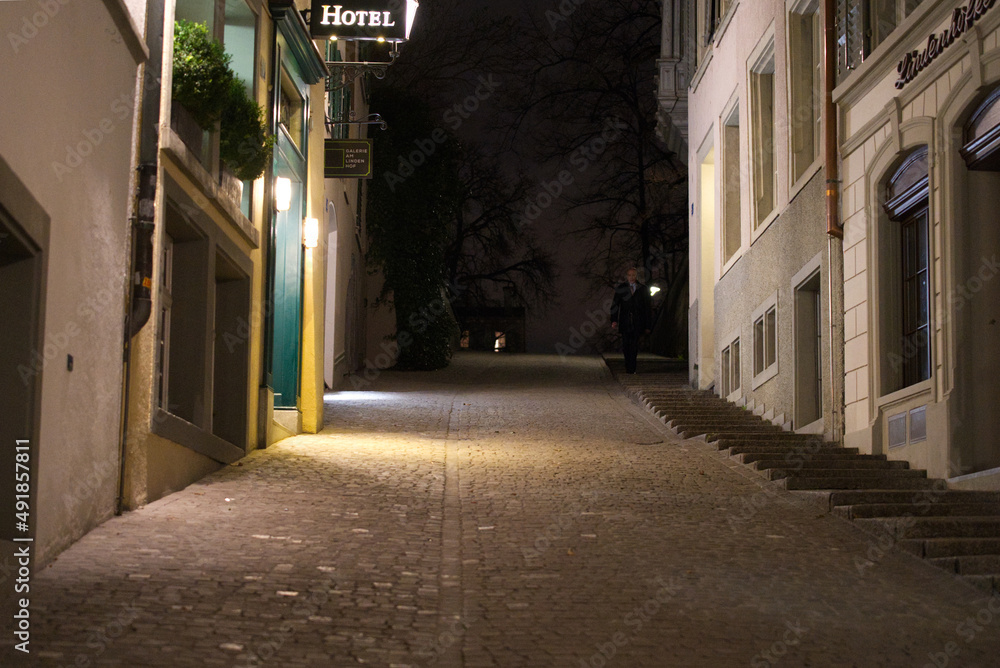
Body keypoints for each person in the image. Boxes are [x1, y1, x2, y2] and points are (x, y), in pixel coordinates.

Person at [610, 267, 652, 374]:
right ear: (627, 276)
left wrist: (648, 325)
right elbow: (615, 305)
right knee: (625, 345)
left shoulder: (643, 289)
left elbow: (647, 308)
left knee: (634, 345)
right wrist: (614, 320)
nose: (632, 277)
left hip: (638, 322)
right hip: (625, 321)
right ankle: (628, 365)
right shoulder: (621, 288)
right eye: (630, 275)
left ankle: (632, 368)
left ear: (636, 276)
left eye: (633, 275)